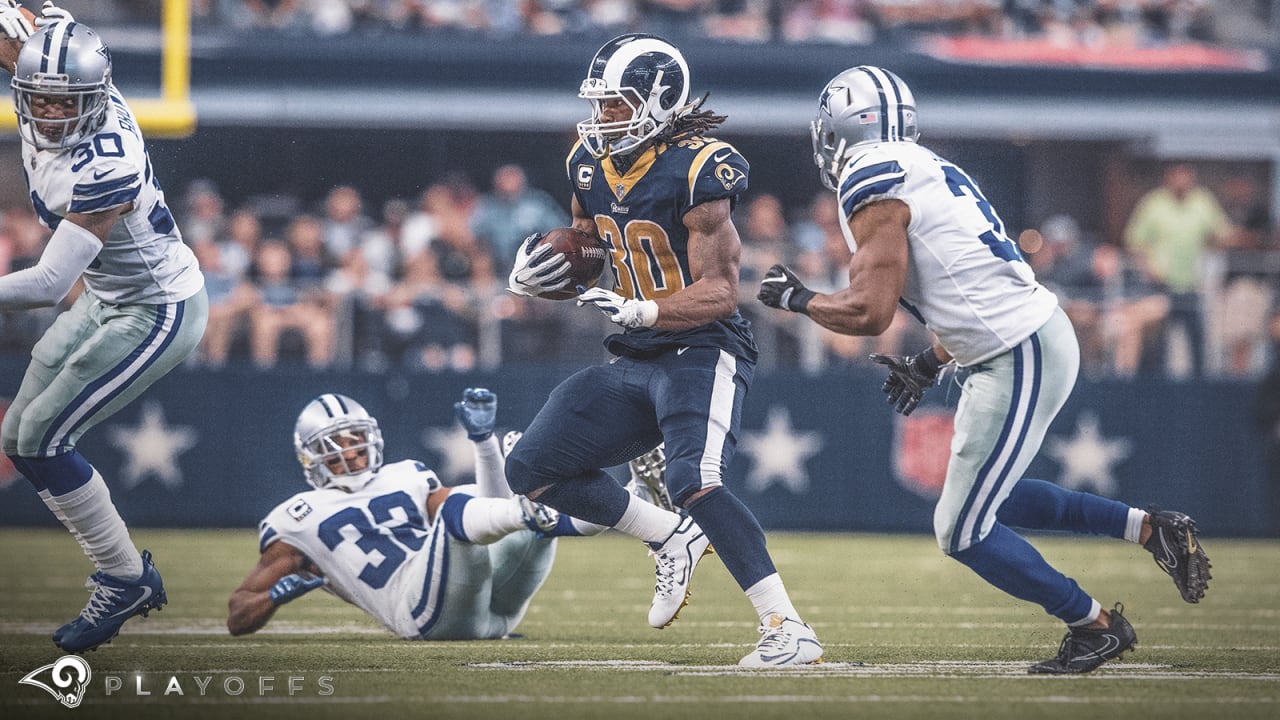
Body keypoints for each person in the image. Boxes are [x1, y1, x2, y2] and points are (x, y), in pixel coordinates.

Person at [757, 66, 1211, 673]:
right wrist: (927, 360)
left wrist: (798, 299)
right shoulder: (921, 166)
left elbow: (869, 310)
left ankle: (1094, 625)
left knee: (962, 529)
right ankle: (1150, 530)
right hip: (1015, 342)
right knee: (987, 503)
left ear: (840, 128)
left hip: (1017, 349)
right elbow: (967, 290)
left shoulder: (872, 176)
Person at [504, 33, 822, 667]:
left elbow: (722, 293)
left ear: (658, 101)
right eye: (599, 105)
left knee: (693, 480)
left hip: (703, 348)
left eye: (616, 105)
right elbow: (591, 245)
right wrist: (546, 271)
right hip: (636, 353)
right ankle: (668, 536)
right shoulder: (587, 163)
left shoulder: (701, 167)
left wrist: (647, 307)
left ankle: (788, 629)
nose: (603, 119)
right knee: (532, 467)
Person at [0, 7, 209, 652]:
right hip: (109, 296)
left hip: (156, 307)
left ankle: (124, 579)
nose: (53, 114)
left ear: (94, 98)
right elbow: (25, 36)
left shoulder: (103, 166)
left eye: (68, 106)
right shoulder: (47, 62)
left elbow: (46, 286)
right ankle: (126, 576)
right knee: (16, 436)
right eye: (43, 101)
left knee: (41, 437)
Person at [227, 389, 610, 640]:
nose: (352, 450)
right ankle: (556, 509)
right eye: (337, 444)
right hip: (415, 612)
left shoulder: (405, 475)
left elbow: (490, 512)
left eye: (357, 438)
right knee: (465, 509)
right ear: (311, 455)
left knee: (505, 515)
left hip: (489, 613)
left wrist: (484, 446)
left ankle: (621, 507)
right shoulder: (297, 517)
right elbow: (237, 615)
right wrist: (273, 598)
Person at [1123, 163, 1229, 377]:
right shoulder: (1154, 203)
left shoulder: (1202, 201)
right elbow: (1134, 240)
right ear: (1169, 178)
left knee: (1196, 339)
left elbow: (1220, 234)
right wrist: (1148, 268)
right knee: (1159, 343)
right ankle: (1158, 388)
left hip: (1190, 283)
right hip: (1160, 283)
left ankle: (1200, 387)